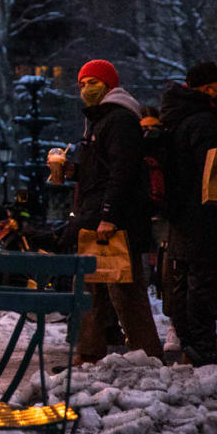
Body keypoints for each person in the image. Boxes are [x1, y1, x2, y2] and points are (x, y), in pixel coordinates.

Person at [71, 60, 164, 365]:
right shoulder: (100, 120)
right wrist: (73, 170)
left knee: (125, 289)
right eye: (82, 83)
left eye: (93, 82)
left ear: (109, 85)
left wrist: (109, 214)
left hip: (113, 220)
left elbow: (122, 172)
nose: (86, 88)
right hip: (97, 216)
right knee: (93, 287)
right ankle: (91, 353)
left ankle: (146, 354)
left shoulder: (118, 120)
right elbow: (100, 171)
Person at [157, 62, 217, 365]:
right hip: (203, 212)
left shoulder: (175, 116)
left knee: (184, 280)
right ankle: (203, 346)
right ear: (208, 87)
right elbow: (215, 173)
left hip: (180, 211)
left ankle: (190, 342)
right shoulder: (205, 122)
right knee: (204, 281)